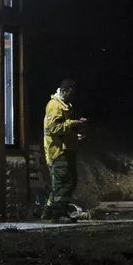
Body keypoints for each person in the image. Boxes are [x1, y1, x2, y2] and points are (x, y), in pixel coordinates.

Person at [41, 78, 86, 220]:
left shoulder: (65, 105)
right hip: (58, 151)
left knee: (66, 183)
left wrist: (75, 134)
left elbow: (63, 128)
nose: (71, 97)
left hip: (66, 149)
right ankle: (58, 214)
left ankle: (48, 212)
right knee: (64, 183)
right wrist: (72, 124)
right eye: (70, 93)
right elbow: (53, 128)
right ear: (64, 90)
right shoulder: (54, 105)